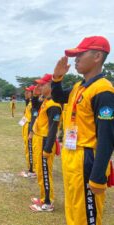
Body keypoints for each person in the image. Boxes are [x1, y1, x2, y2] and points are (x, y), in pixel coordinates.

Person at [51, 36, 114, 225]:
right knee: (74, 207)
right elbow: (58, 96)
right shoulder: (80, 86)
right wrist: (57, 78)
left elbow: (107, 138)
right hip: (71, 154)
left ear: (97, 56)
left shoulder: (103, 90)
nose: (75, 59)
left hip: (87, 158)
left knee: (87, 215)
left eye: (80, 55)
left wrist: (97, 176)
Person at [29, 74, 62, 212]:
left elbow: (52, 130)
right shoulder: (46, 101)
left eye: (42, 85)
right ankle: (43, 198)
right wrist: (35, 95)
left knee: (45, 173)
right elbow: (34, 108)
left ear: (50, 85)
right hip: (39, 138)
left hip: (45, 141)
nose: (39, 87)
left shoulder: (54, 105)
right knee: (41, 172)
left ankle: (48, 203)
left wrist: (47, 149)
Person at [20, 85, 37, 178]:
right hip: (26, 126)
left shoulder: (34, 103)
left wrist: (31, 131)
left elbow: (34, 117)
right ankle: (30, 167)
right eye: (25, 92)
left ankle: (32, 170)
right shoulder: (29, 102)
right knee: (27, 148)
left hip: (30, 126)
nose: (26, 93)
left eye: (28, 92)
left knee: (30, 149)